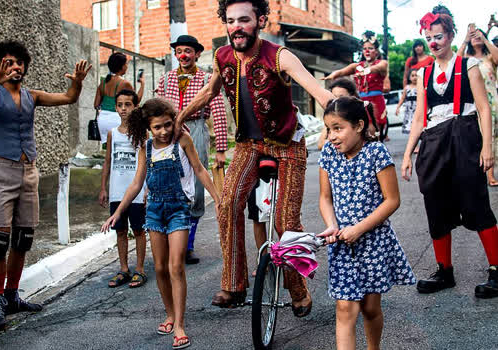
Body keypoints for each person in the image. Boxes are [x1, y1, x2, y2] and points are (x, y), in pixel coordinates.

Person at [174, 0, 334, 316]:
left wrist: (346, 112)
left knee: (284, 223)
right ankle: (234, 285)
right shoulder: (222, 57)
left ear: (259, 20)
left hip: (287, 144)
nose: (236, 27)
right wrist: (180, 118)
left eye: (244, 20)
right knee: (227, 203)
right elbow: (208, 94)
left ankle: (299, 291)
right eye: (231, 21)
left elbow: (317, 90)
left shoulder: (279, 56)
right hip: (249, 144)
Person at [0, 40, 91, 331]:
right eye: (8, 62)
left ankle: (12, 296)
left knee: (23, 239)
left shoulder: (31, 95)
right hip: (2, 172)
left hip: (28, 173)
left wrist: (79, 83)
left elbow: (69, 98)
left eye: (19, 62)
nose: (15, 67)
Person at [101, 98, 220, 349]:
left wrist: (218, 198)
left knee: (176, 266)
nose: (164, 131)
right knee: (159, 269)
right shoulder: (146, 147)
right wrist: (118, 212)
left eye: (167, 124)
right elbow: (136, 183)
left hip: (178, 209)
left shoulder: (182, 141)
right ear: (148, 128)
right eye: (158, 127)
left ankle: (179, 324)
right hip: (153, 210)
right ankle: (169, 313)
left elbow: (199, 170)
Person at [402, 10, 498, 299]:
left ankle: (496, 270)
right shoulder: (424, 73)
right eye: (428, 38)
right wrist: (407, 154)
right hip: (435, 140)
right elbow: (420, 117)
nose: (432, 43)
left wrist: (487, 147)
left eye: (438, 36)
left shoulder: (468, 66)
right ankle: (444, 271)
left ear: (451, 35)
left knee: (476, 201)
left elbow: (483, 108)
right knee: (436, 203)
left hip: (465, 136)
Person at [317, 97, 415, 350]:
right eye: (329, 129)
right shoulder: (328, 153)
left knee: (370, 309)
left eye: (338, 128)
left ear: (359, 125)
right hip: (341, 243)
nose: (332, 136)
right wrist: (331, 224)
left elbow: (392, 200)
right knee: (345, 309)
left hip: (373, 241)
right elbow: (325, 198)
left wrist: (359, 228)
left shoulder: (376, 153)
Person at [156, 35, 228, 265]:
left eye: (188, 51)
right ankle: (170, 243)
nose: (183, 55)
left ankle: (188, 246)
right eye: (179, 51)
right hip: (168, 134)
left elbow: (218, 112)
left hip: (195, 130)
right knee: (169, 185)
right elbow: (155, 107)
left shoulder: (208, 79)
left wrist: (221, 150)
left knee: (195, 188)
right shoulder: (165, 79)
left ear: (197, 54)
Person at [99, 89, 148, 288]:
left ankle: (141, 269)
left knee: (138, 230)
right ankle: (124, 268)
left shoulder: (143, 134)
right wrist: (103, 188)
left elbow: (147, 163)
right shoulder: (112, 134)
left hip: (136, 192)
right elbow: (107, 161)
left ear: (135, 107)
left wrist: (146, 189)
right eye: (120, 105)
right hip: (117, 191)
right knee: (120, 231)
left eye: (128, 104)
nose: (123, 109)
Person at [324, 31, 389, 142]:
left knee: (375, 128)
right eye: (364, 49)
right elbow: (342, 71)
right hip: (361, 100)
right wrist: (332, 75)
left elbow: (378, 68)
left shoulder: (382, 63)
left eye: (371, 48)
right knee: (361, 127)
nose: (367, 51)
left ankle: (377, 149)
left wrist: (367, 70)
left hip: (376, 101)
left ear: (377, 51)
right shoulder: (357, 66)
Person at [458, 26, 498, 186]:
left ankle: (489, 172)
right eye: (474, 35)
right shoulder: (467, 58)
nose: (476, 37)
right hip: (475, 102)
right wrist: (466, 39)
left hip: (493, 100)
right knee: (481, 136)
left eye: (478, 35)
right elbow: (455, 63)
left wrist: (485, 38)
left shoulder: (489, 58)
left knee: (494, 135)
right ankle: (485, 173)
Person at [94, 52, 145, 144]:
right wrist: (142, 84)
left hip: (102, 119)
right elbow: (136, 101)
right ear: (121, 66)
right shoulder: (124, 83)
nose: (127, 66)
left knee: (108, 147)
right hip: (116, 119)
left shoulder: (103, 82)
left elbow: (96, 104)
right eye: (126, 64)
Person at [317, 77, 377, 150]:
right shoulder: (332, 118)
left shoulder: (361, 113)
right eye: (334, 97)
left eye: (342, 97)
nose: (338, 101)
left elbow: (370, 136)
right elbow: (321, 145)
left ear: (352, 96)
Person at [396, 69, 418, 135]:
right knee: (410, 126)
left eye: (416, 75)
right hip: (409, 111)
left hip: (417, 109)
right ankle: (414, 144)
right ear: (409, 77)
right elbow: (402, 98)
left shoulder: (420, 86)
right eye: (412, 76)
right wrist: (398, 107)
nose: (414, 77)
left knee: (417, 125)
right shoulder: (407, 87)